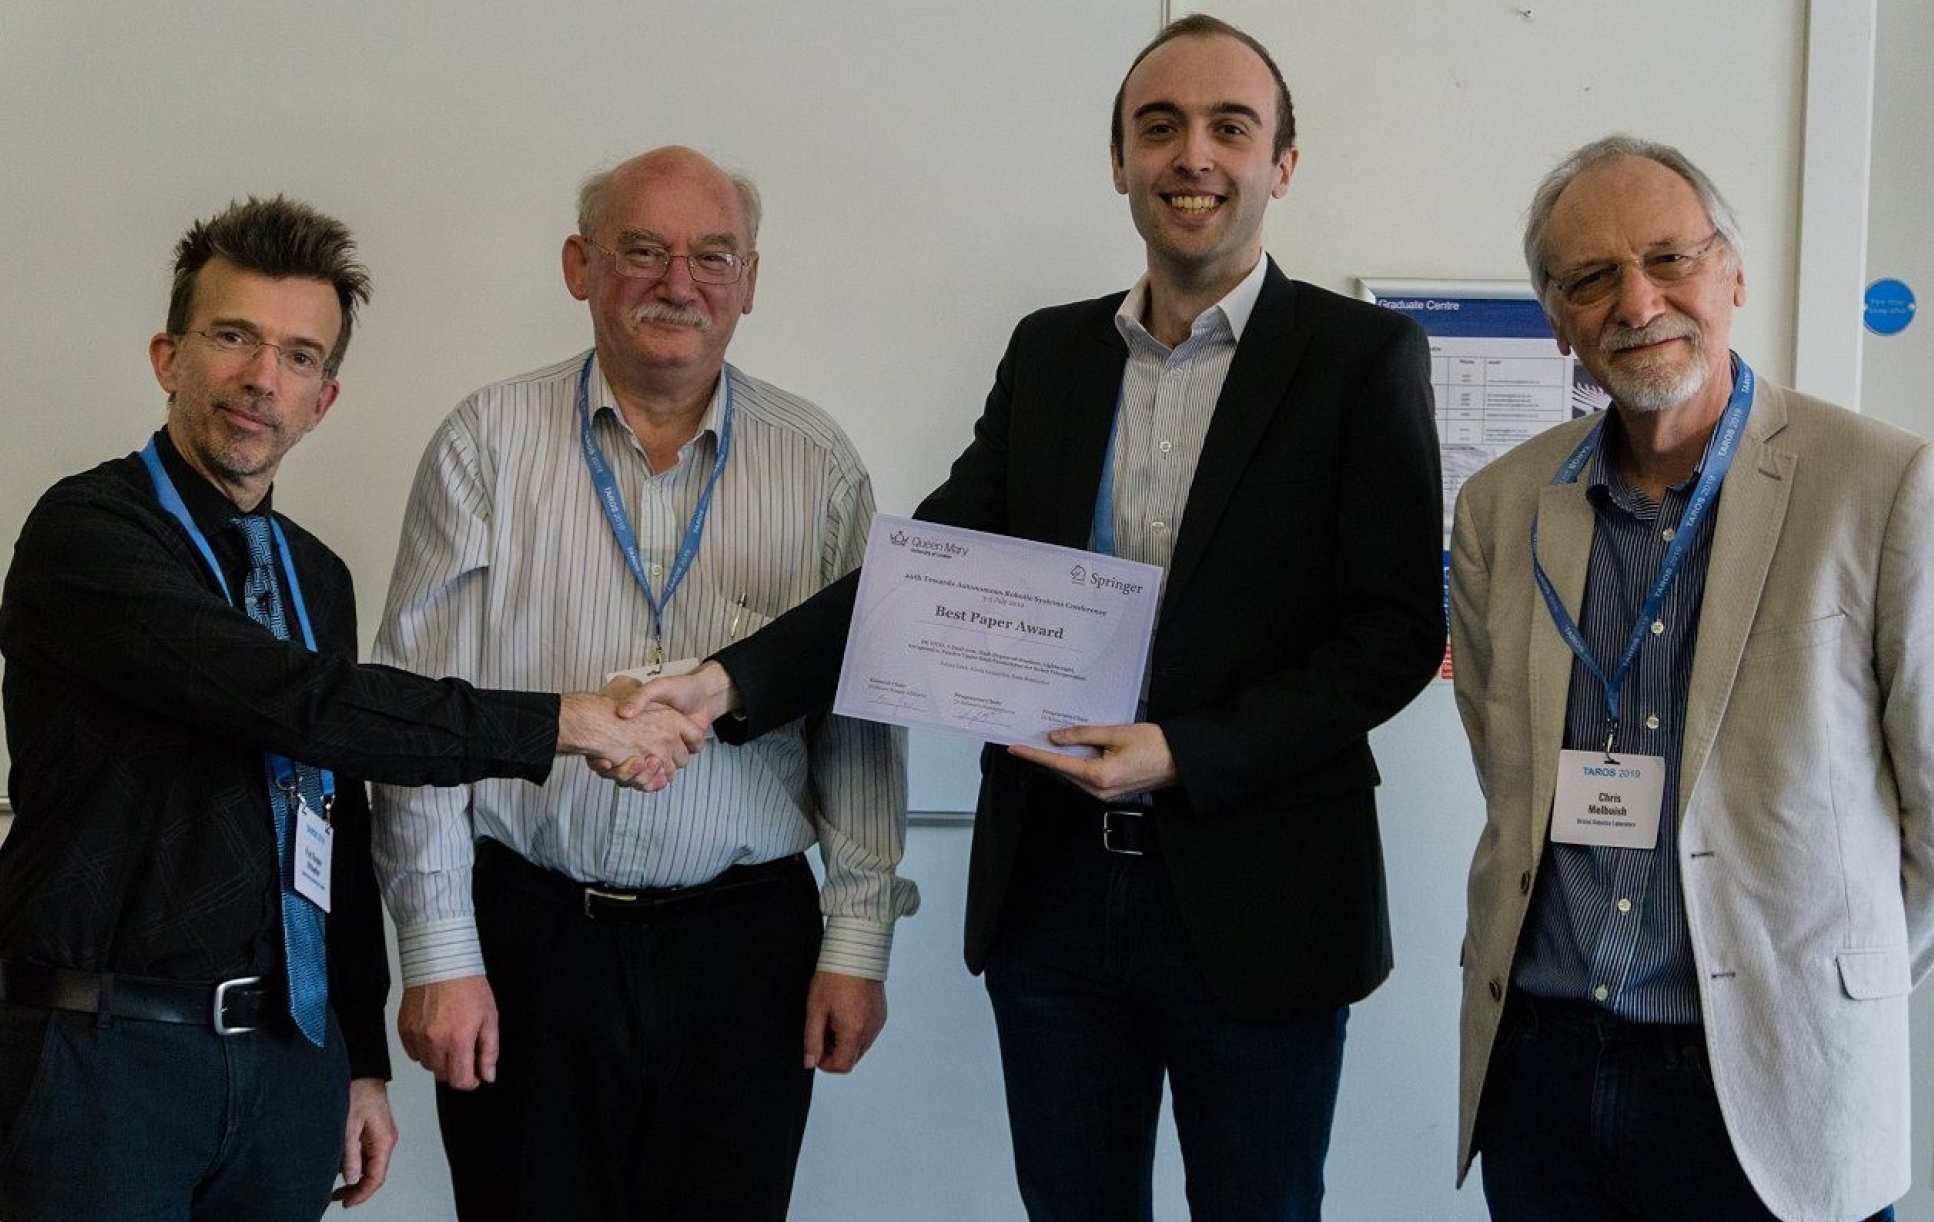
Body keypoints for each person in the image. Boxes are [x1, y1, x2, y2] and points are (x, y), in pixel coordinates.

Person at [636, 17, 1443, 1220]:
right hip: (1056, 898)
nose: (1191, 154)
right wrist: (726, 682)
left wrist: (1182, 751)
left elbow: (1391, 634)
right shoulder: (1051, 353)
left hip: (1262, 896)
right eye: (1158, 127)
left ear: (1281, 162)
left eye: (1229, 127)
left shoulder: (1360, 356)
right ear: (1118, 160)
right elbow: (927, 576)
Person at [0, 196, 703, 1222]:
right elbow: (296, 704)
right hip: (105, 1059)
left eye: (298, 356)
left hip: (284, 1067)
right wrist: (568, 721)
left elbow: (334, 809)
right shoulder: (88, 532)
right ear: (168, 357)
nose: (262, 378)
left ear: (323, 399)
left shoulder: (313, 574)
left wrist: (358, 1059)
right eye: (232, 337)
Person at [369, 146, 917, 1221]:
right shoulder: (486, 443)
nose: (679, 283)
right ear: (579, 266)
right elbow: (419, 713)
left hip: (746, 952)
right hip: (530, 939)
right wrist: (437, 950)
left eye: (712, 256)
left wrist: (858, 940)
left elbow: (855, 713)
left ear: (749, 281)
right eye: (642, 251)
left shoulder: (818, 463)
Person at [1450, 136, 1929, 1221]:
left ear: (1733, 275)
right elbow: (1503, 766)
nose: (1637, 301)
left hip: (1779, 1080)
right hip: (1545, 1074)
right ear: (1556, 319)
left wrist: (1831, 981)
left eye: (1668, 258)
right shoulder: (1499, 508)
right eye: (1590, 278)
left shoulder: (1880, 484)